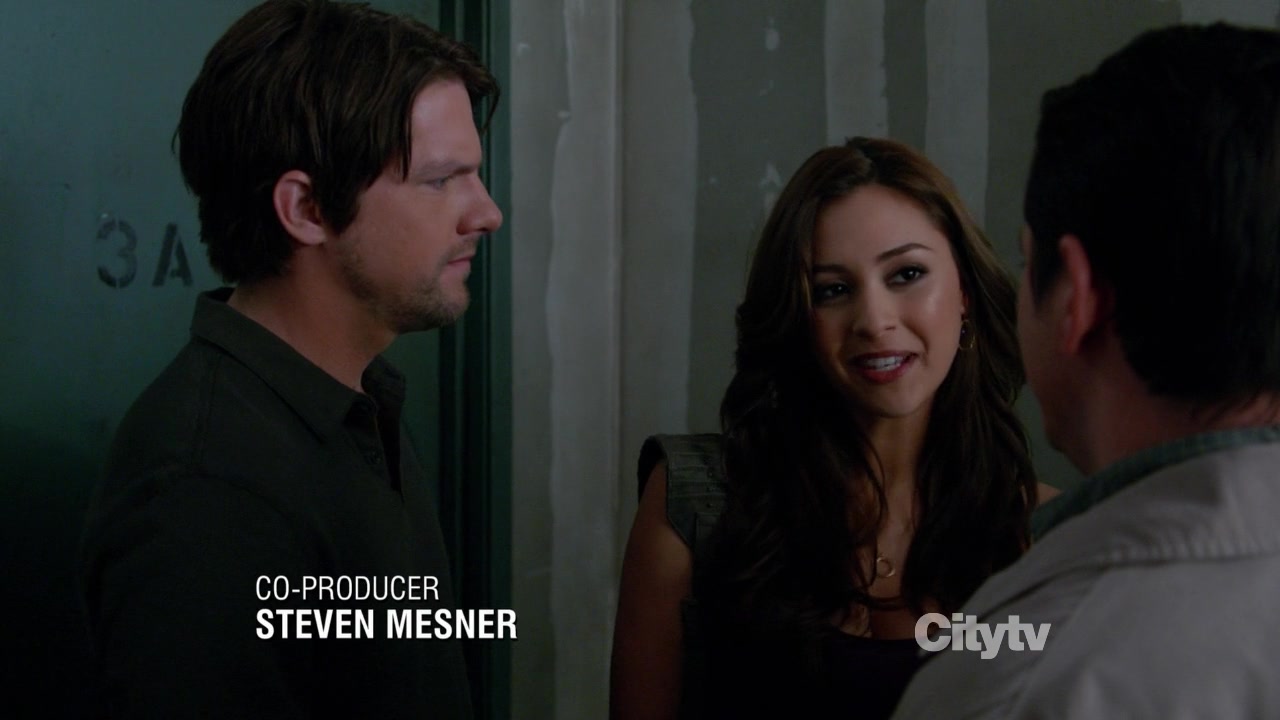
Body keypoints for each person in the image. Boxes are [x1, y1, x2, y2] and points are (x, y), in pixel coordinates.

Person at [78, 1, 502, 717]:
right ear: (305, 209)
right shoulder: (204, 491)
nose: (486, 213)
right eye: (439, 181)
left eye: (475, 175)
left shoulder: (359, 404)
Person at [892, 23, 1280, 719]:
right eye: (831, 287)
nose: (875, 320)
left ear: (1075, 294)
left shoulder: (1019, 684)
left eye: (1025, 259)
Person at [611, 137, 1051, 719]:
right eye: (833, 290)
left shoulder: (1044, 533)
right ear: (798, 316)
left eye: (907, 274)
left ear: (964, 294)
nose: (874, 320)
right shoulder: (695, 502)